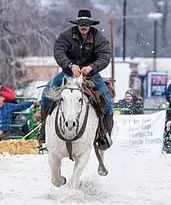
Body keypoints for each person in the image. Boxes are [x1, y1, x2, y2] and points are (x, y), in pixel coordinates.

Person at [38, 9, 114, 152]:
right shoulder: (67, 35)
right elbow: (58, 51)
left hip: (91, 74)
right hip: (68, 73)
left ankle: (104, 135)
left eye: (86, 24)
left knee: (107, 102)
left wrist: (92, 67)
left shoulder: (98, 38)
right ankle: (43, 133)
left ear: (90, 25)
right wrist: (70, 65)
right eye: (81, 24)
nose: (83, 27)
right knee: (46, 95)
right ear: (77, 24)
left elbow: (105, 55)